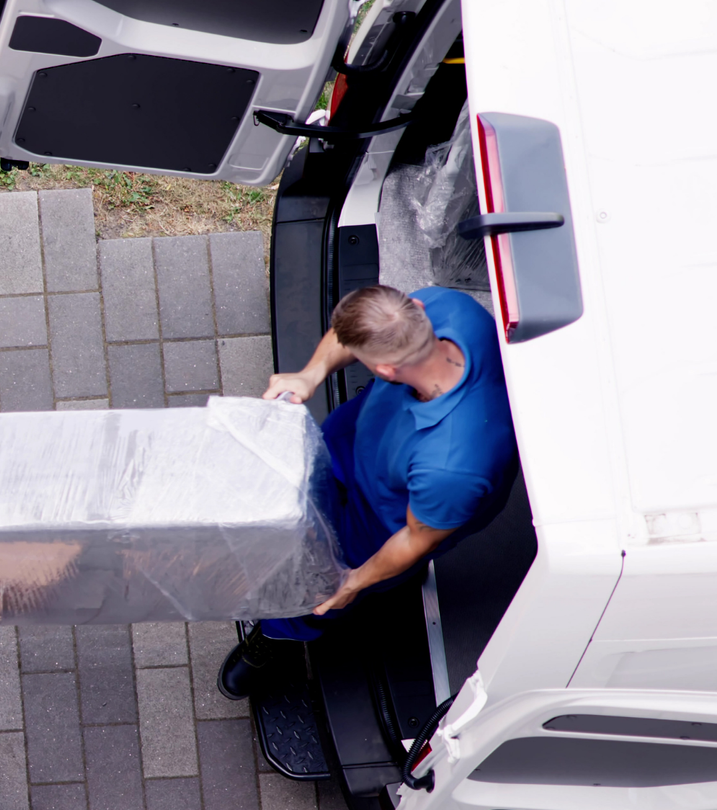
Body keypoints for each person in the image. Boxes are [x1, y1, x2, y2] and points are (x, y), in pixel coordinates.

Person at [220, 283, 519, 698]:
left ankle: (281, 632)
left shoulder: (454, 465)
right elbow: (350, 332)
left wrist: (353, 582)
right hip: (356, 441)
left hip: (382, 520)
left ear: (385, 372)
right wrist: (311, 374)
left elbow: (415, 539)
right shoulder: (446, 306)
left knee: (317, 586)